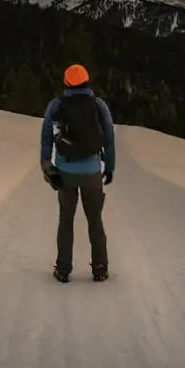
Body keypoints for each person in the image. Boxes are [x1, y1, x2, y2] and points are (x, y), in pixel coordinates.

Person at [40, 63, 115, 282]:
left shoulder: (56, 105)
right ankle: (100, 269)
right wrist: (109, 167)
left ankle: (63, 269)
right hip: (92, 172)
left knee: (66, 220)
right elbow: (109, 138)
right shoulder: (98, 105)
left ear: (66, 83)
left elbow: (46, 138)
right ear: (86, 81)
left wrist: (47, 167)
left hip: (65, 172)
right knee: (95, 220)